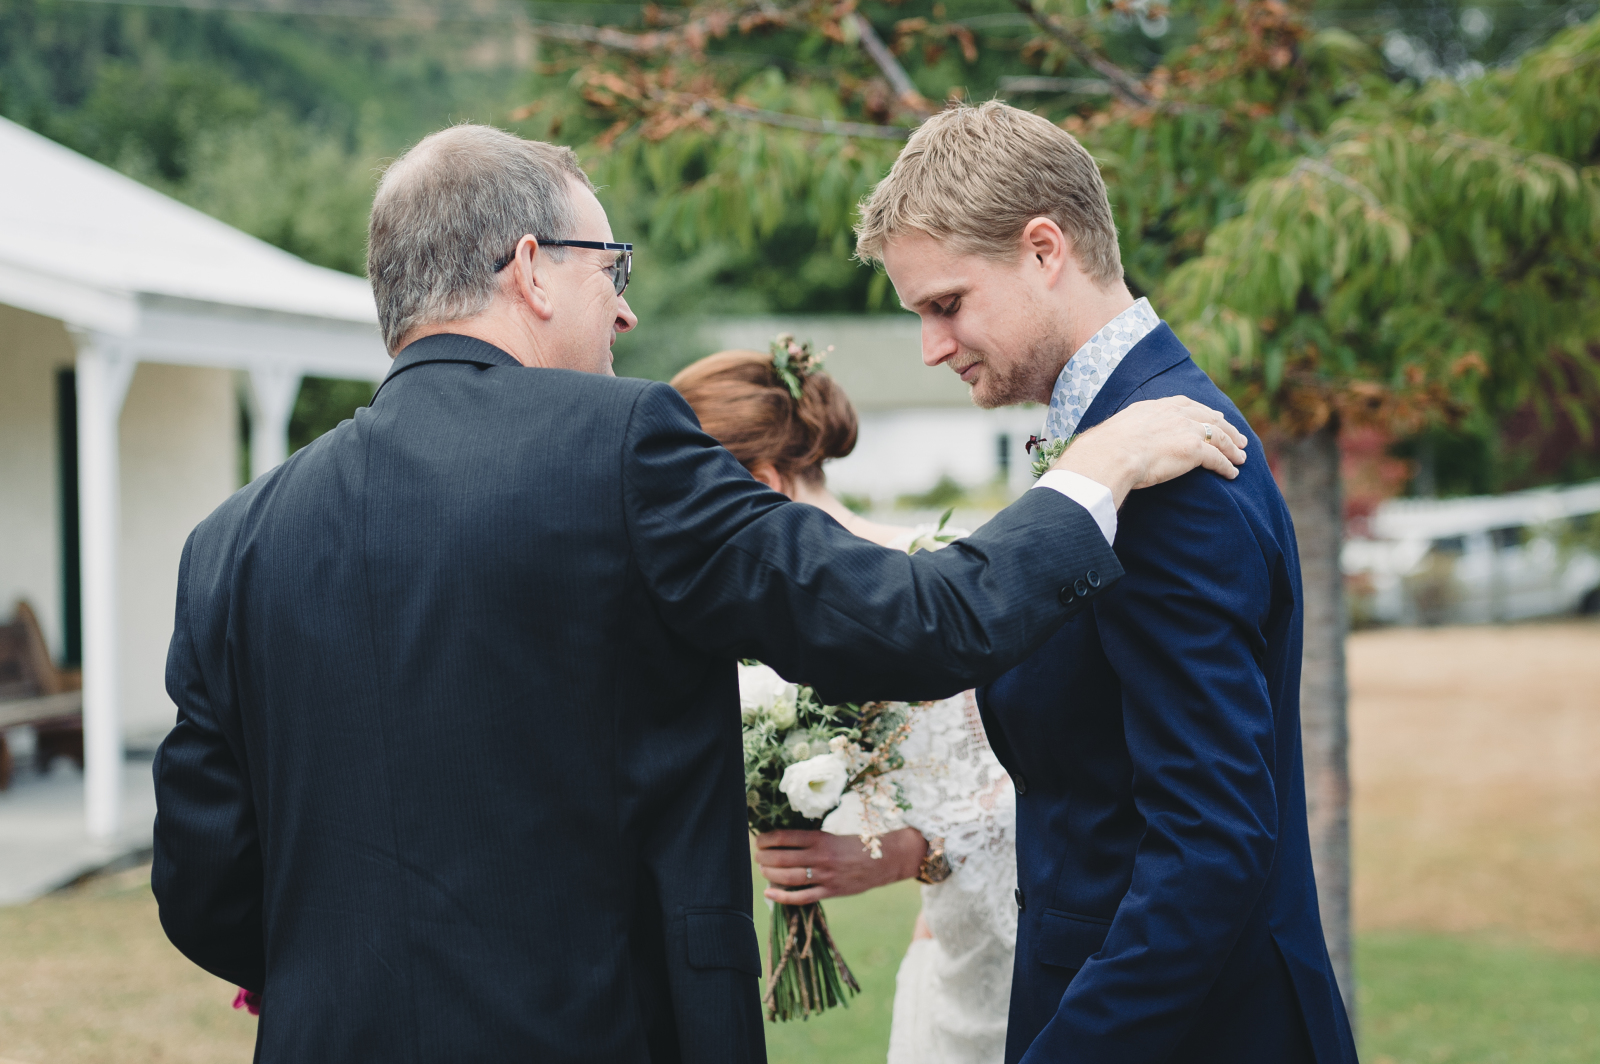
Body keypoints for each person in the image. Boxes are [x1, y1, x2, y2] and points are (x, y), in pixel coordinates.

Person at [150, 123, 1246, 1064]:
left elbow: (204, 888)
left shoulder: (232, 542)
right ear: (532, 269)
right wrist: (1088, 478)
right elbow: (914, 623)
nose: (624, 315)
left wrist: (348, 977)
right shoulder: (618, 445)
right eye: (610, 270)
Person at [853, 100, 1360, 1064]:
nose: (932, 347)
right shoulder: (1109, 445)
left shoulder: (1170, 474)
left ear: (1044, 250)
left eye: (946, 304)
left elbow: (1210, 843)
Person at [672, 348, 1019, 1064]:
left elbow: (1042, 788)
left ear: (762, 484)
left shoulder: (943, 585)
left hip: (1015, 962)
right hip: (940, 964)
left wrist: (914, 852)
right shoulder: (744, 621)